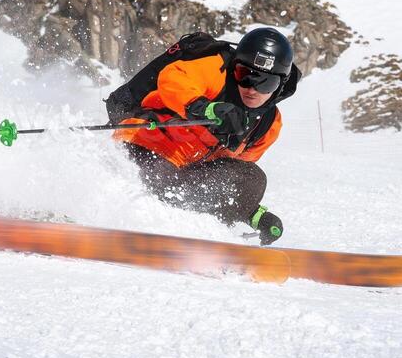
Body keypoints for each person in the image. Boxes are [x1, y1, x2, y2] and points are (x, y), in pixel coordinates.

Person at [106, 28, 299, 245]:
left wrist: (253, 213)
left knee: (252, 178)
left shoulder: (268, 124)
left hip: (182, 175)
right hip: (142, 146)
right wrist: (205, 108)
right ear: (235, 68)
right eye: (244, 76)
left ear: (280, 85)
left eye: (266, 83)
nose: (252, 88)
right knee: (162, 182)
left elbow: (227, 178)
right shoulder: (216, 70)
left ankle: (208, 239)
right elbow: (173, 77)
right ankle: (110, 213)